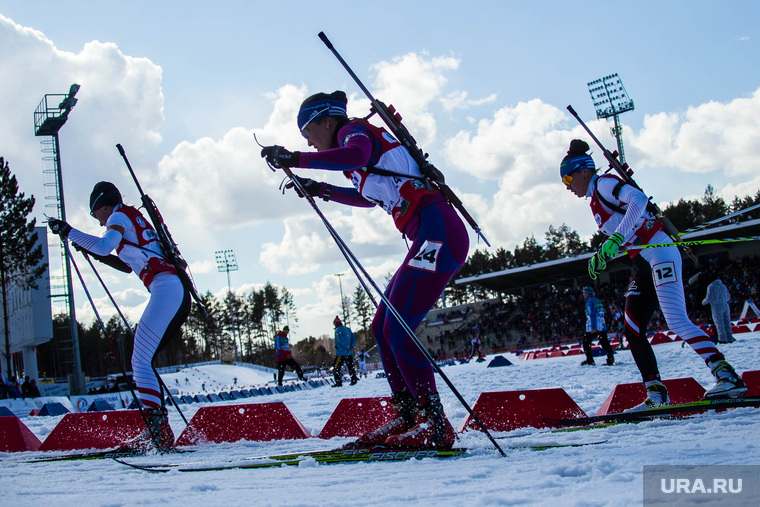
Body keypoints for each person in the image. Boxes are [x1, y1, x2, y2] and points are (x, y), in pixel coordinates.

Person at [261, 91, 469, 448]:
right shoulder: (352, 154)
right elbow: (369, 198)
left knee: (399, 325)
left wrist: (296, 159)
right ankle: (407, 414)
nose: (308, 141)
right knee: (381, 326)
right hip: (428, 232)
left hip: (438, 230)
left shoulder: (352, 132)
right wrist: (321, 189)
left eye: (308, 132)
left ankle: (433, 422)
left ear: (327, 121)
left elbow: (354, 153)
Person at [560, 140, 747, 409]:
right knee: (632, 329)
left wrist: (615, 239)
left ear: (584, 171)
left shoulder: (604, 184)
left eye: (568, 177)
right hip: (644, 262)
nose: (567, 186)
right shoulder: (596, 200)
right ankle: (656, 393)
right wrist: (604, 250)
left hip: (660, 252)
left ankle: (726, 375)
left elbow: (638, 199)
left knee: (677, 321)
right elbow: (625, 228)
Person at [48, 181, 191, 451]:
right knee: (142, 360)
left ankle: (157, 433)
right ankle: (157, 430)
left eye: (95, 214)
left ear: (102, 205)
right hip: (174, 291)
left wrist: (70, 232)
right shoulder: (132, 218)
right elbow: (125, 266)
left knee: (139, 361)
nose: (100, 222)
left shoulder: (118, 215)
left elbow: (104, 246)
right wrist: (91, 248)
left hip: (166, 288)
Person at [580, 287, 615, 366]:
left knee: (586, 342)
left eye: (584, 293)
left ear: (587, 293)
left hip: (594, 326)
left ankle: (590, 360)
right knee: (605, 343)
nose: (583, 294)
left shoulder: (589, 302)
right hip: (602, 326)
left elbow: (592, 315)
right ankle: (611, 360)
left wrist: (593, 327)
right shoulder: (598, 300)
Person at [703, 276, 735, 344]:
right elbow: (728, 297)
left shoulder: (711, 286)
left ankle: (722, 339)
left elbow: (709, 298)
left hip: (716, 306)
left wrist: (703, 302)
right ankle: (729, 337)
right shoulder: (723, 286)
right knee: (727, 322)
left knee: (719, 323)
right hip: (725, 305)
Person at [332, 316, 358, 387]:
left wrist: (347, 348)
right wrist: (352, 347)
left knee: (336, 368)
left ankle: (338, 382)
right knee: (351, 367)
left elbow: (341, 341)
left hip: (340, 353)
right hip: (349, 353)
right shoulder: (348, 329)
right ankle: (353, 380)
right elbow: (354, 338)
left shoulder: (337, 330)